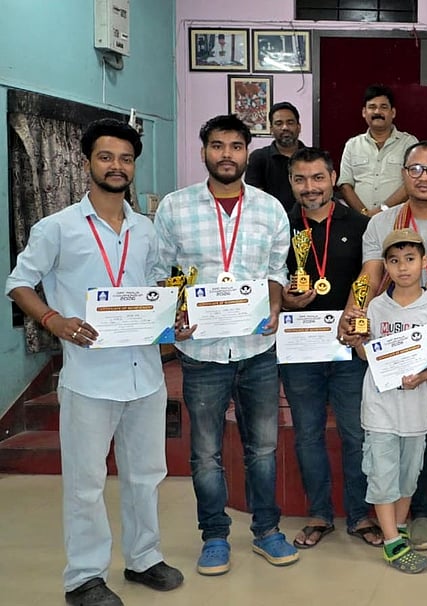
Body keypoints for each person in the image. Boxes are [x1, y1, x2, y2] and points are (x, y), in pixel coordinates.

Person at [5, 119, 184, 606]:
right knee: (85, 483)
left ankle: (144, 559)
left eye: (126, 159)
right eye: (106, 157)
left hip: (145, 376)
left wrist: (173, 321)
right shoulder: (58, 227)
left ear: (133, 167)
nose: (116, 166)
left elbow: (154, 293)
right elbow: (19, 282)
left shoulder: (146, 229)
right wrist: (53, 319)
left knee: (146, 475)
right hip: (88, 378)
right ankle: (83, 577)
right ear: (87, 163)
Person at [152, 114, 296, 576]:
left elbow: (277, 272)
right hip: (202, 354)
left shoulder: (270, 208)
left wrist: (274, 307)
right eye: (218, 146)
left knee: (263, 449)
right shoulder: (175, 208)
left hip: (257, 348)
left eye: (236, 146)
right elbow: (164, 271)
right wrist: (175, 313)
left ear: (246, 152)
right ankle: (214, 536)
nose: (227, 155)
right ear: (204, 152)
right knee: (206, 453)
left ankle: (267, 531)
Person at [341, 140, 427, 554]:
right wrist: (351, 316)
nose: (424, 177)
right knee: (408, 435)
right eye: (416, 169)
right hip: (396, 354)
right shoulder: (381, 226)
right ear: (403, 175)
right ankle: (417, 513)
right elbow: (367, 279)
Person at [277, 147, 381, 549]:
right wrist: (284, 298)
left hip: (348, 347)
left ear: (333, 177)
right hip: (299, 350)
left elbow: (372, 274)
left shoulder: (359, 224)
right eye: (301, 179)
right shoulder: (280, 224)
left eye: (318, 178)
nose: (310, 187)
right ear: (291, 182)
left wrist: (356, 309)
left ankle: (359, 514)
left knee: (357, 433)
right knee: (307, 434)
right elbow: (272, 279)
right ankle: (320, 513)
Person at [346, 228, 427, 574]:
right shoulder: (375, 306)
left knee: (408, 475)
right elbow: (365, 354)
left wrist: (422, 375)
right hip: (380, 408)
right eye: (394, 261)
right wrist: (358, 341)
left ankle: (399, 527)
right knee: (382, 473)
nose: (403, 268)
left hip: (417, 409)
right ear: (385, 267)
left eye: (410, 259)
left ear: (424, 262)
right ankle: (391, 543)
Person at [337, 85, 419, 216]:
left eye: (383, 107)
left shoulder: (409, 143)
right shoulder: (352, 145)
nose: (377, 112)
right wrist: (364, 213)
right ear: (364, 112)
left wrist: (382, 210)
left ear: (393, 112)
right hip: (359, 219)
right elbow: (345, 185)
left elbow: (412, 182)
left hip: (397, 218)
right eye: (372, 107)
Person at [246, 101, 306, 211]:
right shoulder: (258, 158)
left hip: (307, 222)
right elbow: (254, 199)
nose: (285, 127)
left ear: (299, 127)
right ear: (271, 129)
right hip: (271, 221)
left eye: (290, 122)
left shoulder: (313, 157)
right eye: (279, 123)